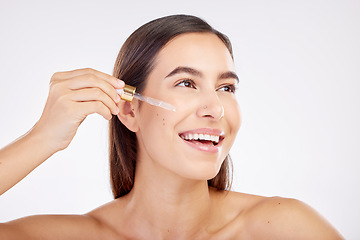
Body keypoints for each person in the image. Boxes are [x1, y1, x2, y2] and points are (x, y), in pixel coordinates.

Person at [0, 14, 342, 239]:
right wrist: (41, 138)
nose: (215, 109)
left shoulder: (283, 227)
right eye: (186, 84)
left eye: (226, 88)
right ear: (129, 110)